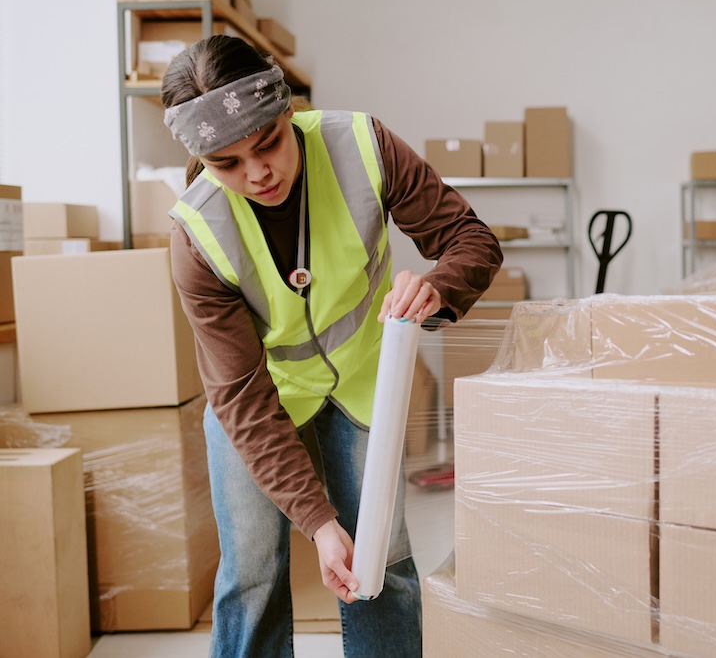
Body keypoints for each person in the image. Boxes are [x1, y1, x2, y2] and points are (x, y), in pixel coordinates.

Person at [160, 35, 503, 658]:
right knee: (252, 571)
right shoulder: (195, 236)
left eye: (267, 144)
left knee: (381, 563)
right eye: (227, 164)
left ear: (287, 112)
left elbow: (470, 239)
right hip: (260, 404)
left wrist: (434, 286)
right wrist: (318, 524)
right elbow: (240, 394)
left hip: (362, 379)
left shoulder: (362, 146)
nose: (257, 173)